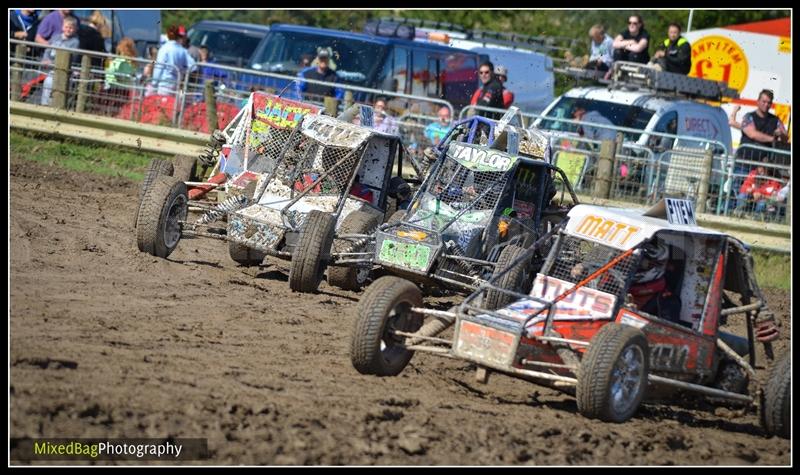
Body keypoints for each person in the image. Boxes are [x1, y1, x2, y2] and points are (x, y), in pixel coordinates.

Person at [737, 89, 788, 163]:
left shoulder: (775, 120)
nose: (766, 105)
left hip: (764, 166)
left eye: (769, 103)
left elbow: (785, 137)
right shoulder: (749, 117)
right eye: (764, 101)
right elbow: (752, 134)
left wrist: (781, 134)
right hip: (744, 163)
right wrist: (773, 139)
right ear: (758, 101)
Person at [40, 16, 80, 106]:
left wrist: (53, 63)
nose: (68, 30)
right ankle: (44, 104)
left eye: (71, 28)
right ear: (62, 27)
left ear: (75, 29)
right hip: (51, 70)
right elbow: (48, 50)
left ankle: (59, 106)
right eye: (66, 27)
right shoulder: (55, 37)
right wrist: (45, 59)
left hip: (65, 70)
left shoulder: (75, 42)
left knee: (64, 87)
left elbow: (72, 58)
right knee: (48, 82)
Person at [151, 24, 195, 96]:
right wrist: (182, 72)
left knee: (162, 106)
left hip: (164, 85)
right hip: (176, 85)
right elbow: (194, 66)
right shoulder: (182, 50)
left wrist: (154, 83)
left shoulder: (164, 49)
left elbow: (159, 67)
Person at [100, 37, 137, 116]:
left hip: (114, 87)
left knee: (110, 108)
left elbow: (115, 73)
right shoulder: (131, 61)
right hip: (124, 88)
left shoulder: (121, 61)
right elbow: (132, 73)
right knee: (118, 108)